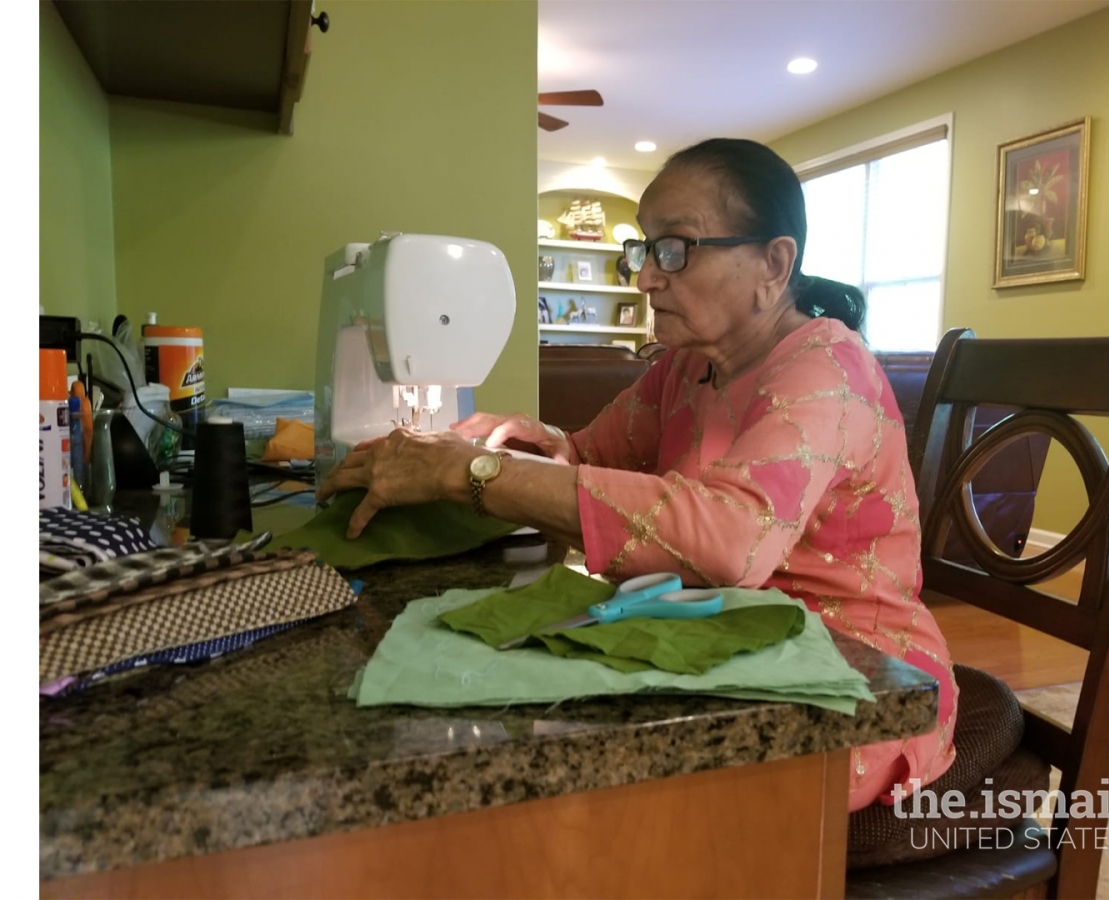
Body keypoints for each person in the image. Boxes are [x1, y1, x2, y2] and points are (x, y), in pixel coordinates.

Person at [317, 138, 957, 812]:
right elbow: (592, 456)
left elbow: (729, 542)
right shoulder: (687, 368)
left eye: (674, 249)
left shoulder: (828, 370)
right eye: (644, 251)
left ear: (774, 262)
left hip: (862, 675)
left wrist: (472, 473)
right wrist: (531, 443)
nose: (647, 277)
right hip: (727, 638)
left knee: (606, 789)